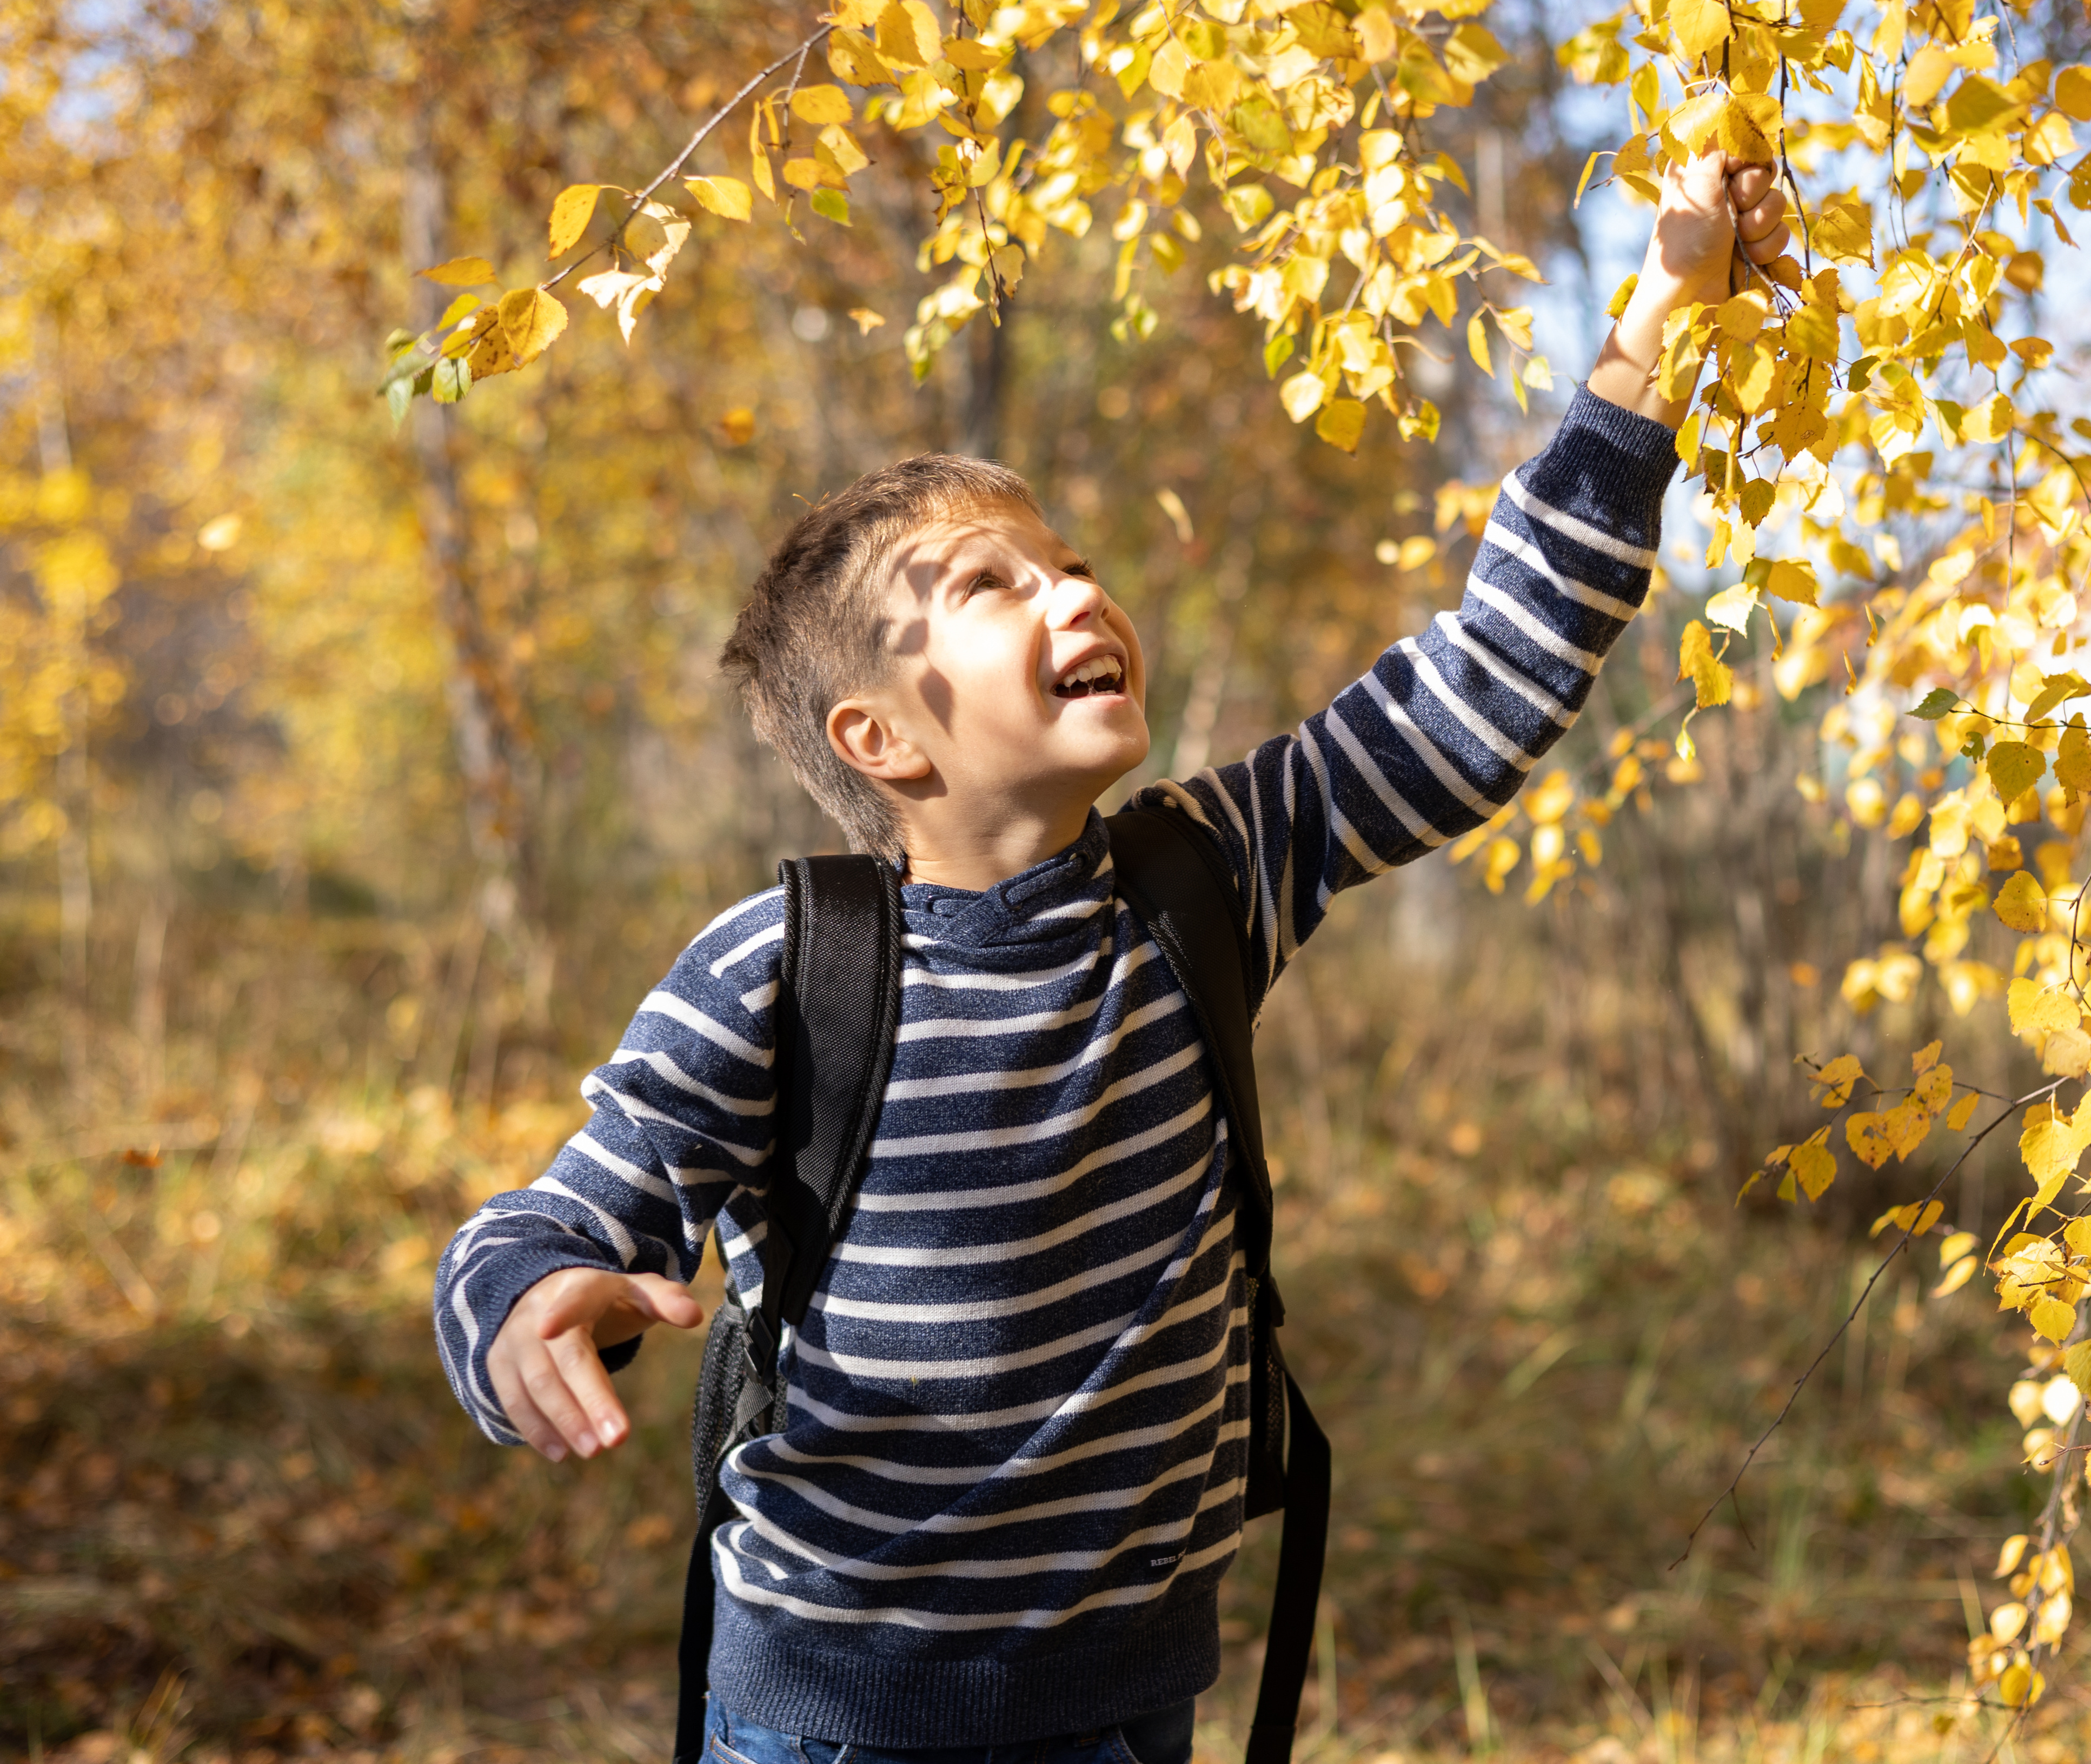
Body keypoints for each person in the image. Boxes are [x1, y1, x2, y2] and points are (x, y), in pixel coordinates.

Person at [432, 149, 1791, 1764]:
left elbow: (1481, 684)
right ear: (881, 737)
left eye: (1068, 561)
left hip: (1136, 1697)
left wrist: (1646, 339)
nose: (1073, 588)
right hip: (843, 1722)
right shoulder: (789, 970)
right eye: (992, 586)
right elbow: (576, 1203)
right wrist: (521, 1306)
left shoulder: (1202, 878)